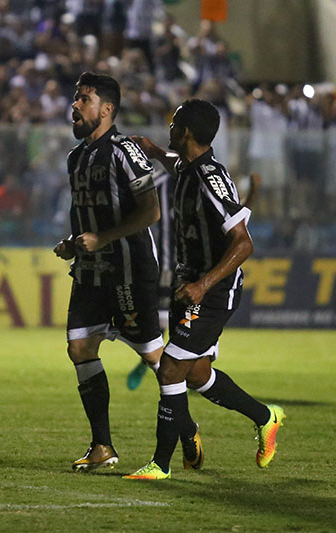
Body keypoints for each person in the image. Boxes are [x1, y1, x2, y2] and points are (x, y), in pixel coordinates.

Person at [122, 99, 284, 480]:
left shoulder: (210, 178)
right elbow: (175, 164)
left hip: (212, 290)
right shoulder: (189, 166)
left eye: (174, 123)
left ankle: (160, 464)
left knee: (170, 368)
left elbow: (244, 243)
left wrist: (203, 284)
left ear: (186, 133)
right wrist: (154, 150)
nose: (169, 127)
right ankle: (265, 416)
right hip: (190, 284)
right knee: (195, 374)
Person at [54, 72, 199, 473]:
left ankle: (187, 428)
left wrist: (102, 238)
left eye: (84, 99)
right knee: (79, 349)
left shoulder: (124, 151)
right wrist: (73, 243)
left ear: (107, 109)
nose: (74, 105)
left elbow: (150, 211)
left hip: (129, 272)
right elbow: (86, 218)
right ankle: (102, 445)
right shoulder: (76, 158)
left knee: (155, 358)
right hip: (91, 272)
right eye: (75, 98)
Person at [125, 171, 260, 391]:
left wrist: (253, 192)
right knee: (160, 324)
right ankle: (155, 364)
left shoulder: (208, 182)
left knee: (189, 346)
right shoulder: (160, 182)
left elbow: (238, 222)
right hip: (166, 266)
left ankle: (169, 370)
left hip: (198, 273)